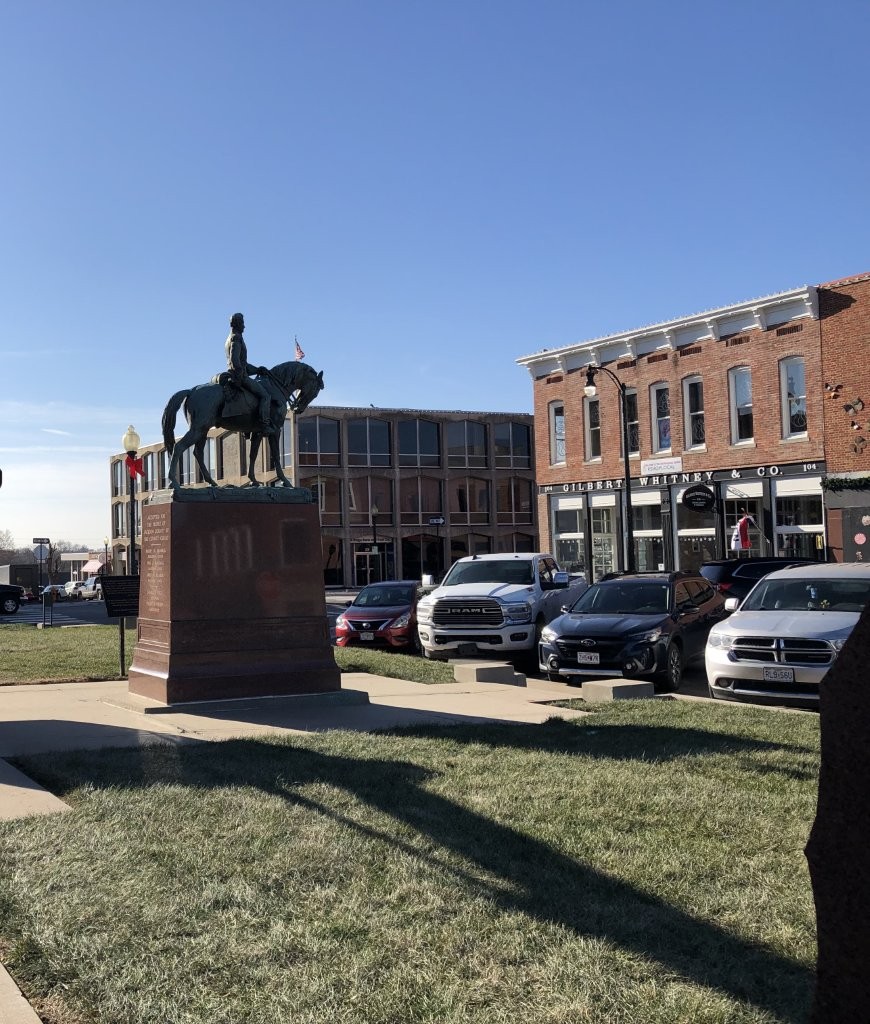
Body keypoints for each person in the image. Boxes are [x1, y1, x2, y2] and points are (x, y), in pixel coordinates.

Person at [225, 312, 270, 428]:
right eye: (243, 323)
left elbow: (242, 363)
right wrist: (240, 374)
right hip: (239, 376)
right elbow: (235, 360)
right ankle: (264, 424)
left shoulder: (229, 338)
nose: (244, 326)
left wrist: (258, 370)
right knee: (265, 396)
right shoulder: (236, 337)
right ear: (237, 324)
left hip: (235, 373)